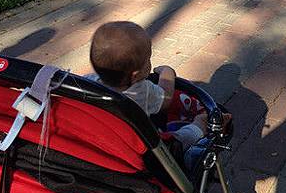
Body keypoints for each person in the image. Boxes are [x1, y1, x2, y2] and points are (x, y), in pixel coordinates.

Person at [85, 21, 217, 153]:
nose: (149, 62)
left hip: (102, 143)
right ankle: (200, 124)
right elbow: (166, 98)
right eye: (148, 59)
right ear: (135, 75)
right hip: (140, 150)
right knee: (186, 136)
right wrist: (167, 72)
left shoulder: (86, 82)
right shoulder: (139, 92)